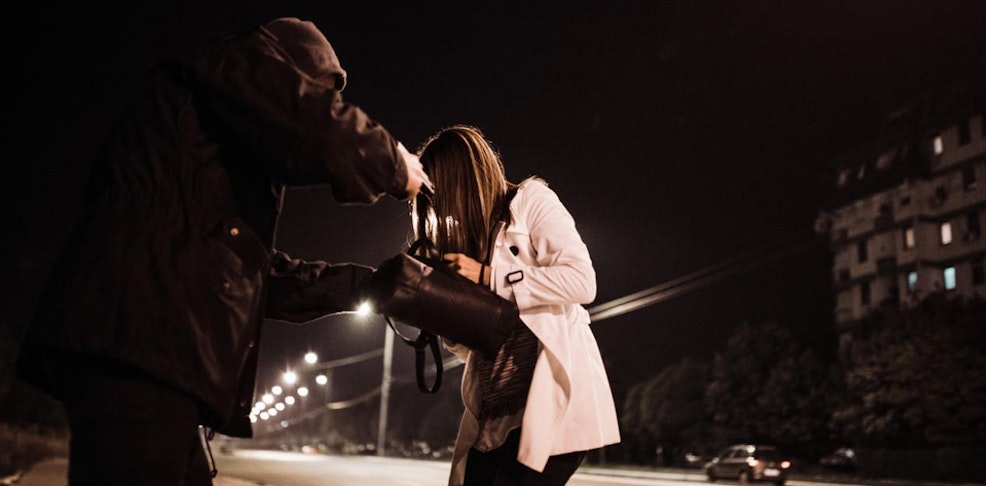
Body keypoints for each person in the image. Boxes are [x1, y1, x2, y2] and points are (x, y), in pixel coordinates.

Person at [15, 17, 430, 485]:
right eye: (319, 92)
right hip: (139, 339)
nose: (322, 104)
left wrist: (373, 287)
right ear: (288, 73)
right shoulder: (233, 64)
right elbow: (311, 125)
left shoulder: (203, 176)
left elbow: (258, 276)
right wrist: (393, 162)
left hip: (151, 350)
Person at [411, 125, 620, 486]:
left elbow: (582, 281)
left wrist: (491, 276)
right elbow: (474, 348)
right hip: (495, 414)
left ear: (461, 182)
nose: (441, 211)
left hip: (549, 404)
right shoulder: (469, 245)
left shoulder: (530, 201)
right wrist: (441, 310)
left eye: (441, 195)